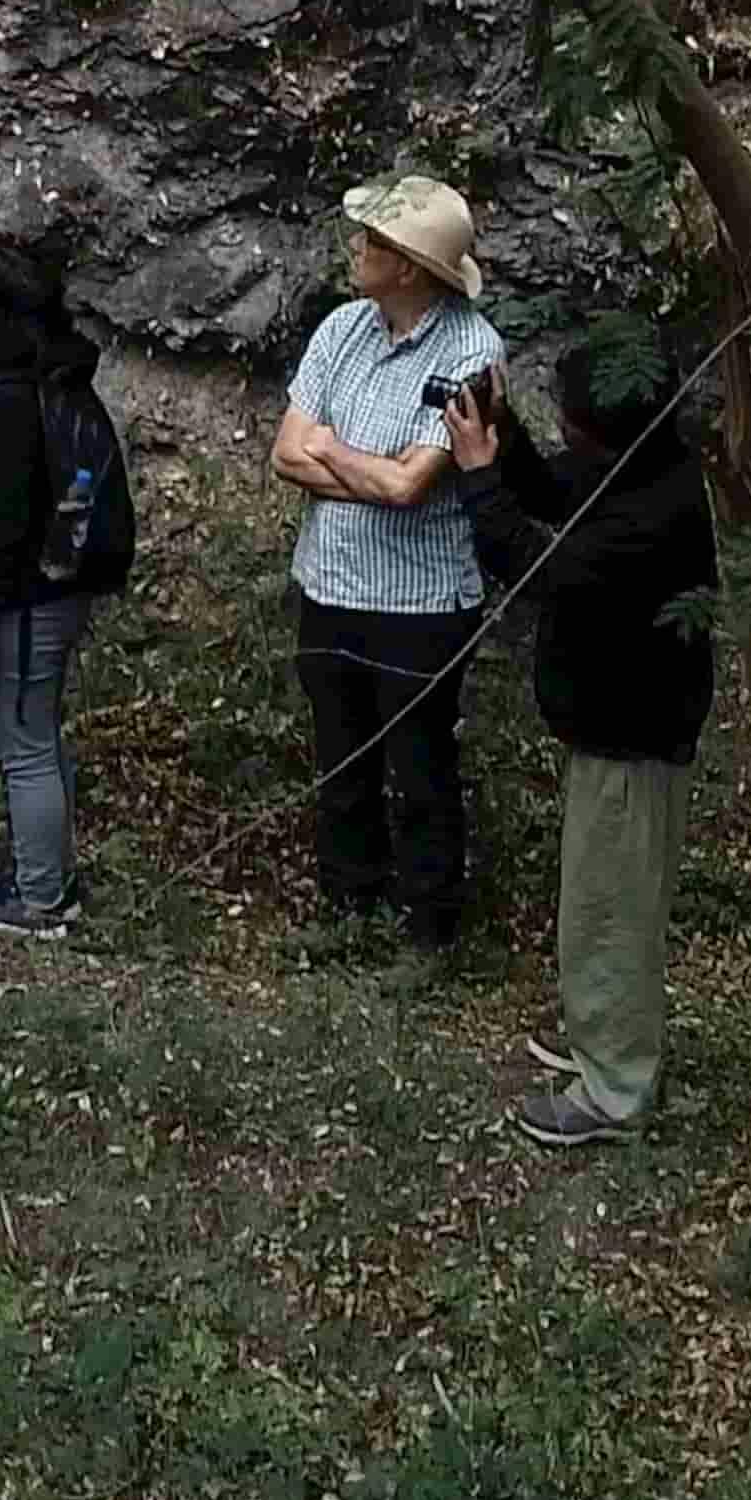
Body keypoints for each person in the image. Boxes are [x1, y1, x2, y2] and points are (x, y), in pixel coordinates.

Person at [447, 326, 718, 1144]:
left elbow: (528, 562)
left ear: (610, 430)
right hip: (617, 731)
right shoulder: (646, 466)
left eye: (570, 422)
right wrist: (509, 440)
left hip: (632, 744)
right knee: (601, 907)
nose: (566, 432)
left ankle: (614, 1091)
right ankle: (606, 1050)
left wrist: (476, 474)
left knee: (610, 917)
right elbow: (563, 490)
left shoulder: (652, 516)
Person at [272, 175, 509, 964]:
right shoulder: (343, 328)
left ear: (407, 266)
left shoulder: (472, 352)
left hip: (419, 605)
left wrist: (334, 449)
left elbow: (412, 486)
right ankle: (350, 908)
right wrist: (368, 469)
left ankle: (429, 932)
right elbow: (283, 451)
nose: (356, 250)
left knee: (420, 768)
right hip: (330, 585)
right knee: (341, 762)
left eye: (371, 242)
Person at [0, 238, 133, 940]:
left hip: (25, 599)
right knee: (42, 737)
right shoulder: (57, 377)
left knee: (24, 743)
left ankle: (40, 902)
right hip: (60, 591)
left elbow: (1, 520)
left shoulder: (8, 397)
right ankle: (42, 874)